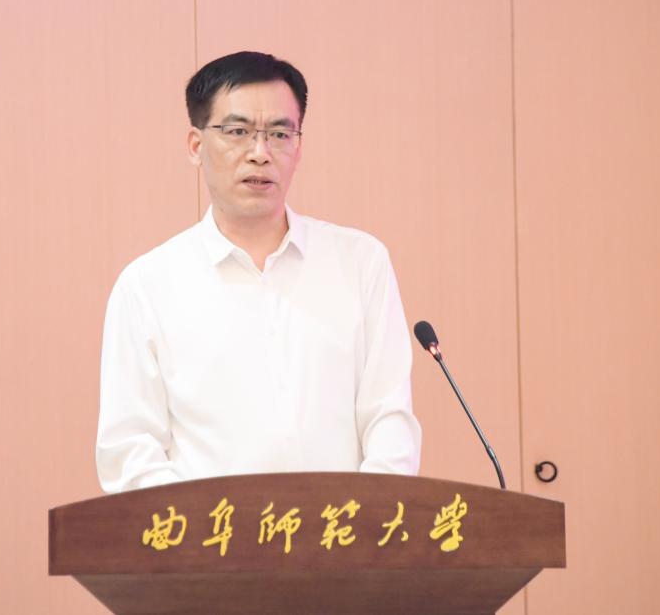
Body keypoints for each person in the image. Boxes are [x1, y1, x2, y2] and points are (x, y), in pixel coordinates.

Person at [95, 51, 421, 493]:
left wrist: (367, 518)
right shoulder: (147, 286)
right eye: (238, 132)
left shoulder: (361, 263)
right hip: (209, 534)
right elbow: (130, 450)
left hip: (343, 531)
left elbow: (389, 421)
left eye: (280, 134)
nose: (260, 153)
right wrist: (205, 529)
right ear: (196, 146)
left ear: (298, 146)